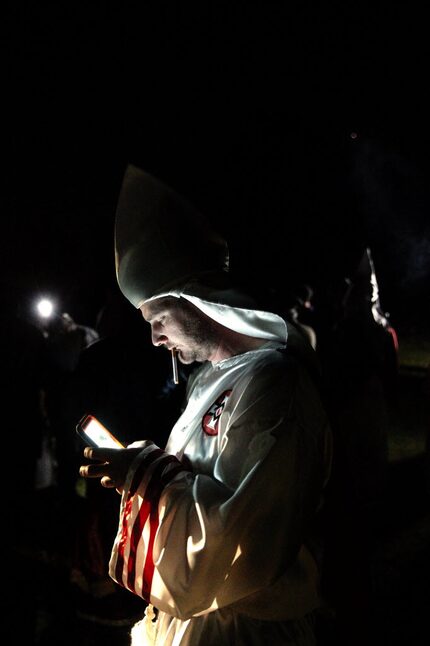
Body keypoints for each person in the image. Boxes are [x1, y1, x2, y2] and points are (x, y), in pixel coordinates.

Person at [79, 165, 333, 645]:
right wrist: (141, 472)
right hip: (197, 620)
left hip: (243, 628)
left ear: (195, 300)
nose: (155, 338)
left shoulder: (275, 385)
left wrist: (147, 475)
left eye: (158, 317)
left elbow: (245, 537)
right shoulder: (208, 381)